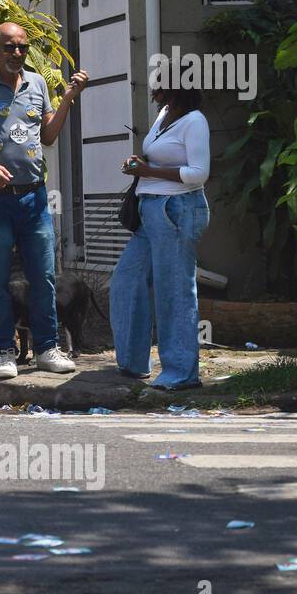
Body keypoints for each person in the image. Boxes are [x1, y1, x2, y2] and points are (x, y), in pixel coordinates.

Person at [0, 22, 88, 380]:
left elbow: (50, 135)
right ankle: (5, 352)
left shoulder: (37, 83)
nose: (17, 54)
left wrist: (69, 98)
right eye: (9, 47)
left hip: (34, 197)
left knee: (43, 276)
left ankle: (46, 348)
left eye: (22, 48)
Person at [109, 87, 210, 391]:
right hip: (149, 210)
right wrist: (138, 165)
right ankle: (133, 362)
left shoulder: (195, 121)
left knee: (175, 292)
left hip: (177, 210)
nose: (153, 90)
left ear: (176, 88)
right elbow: (156, 159)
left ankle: (181, 373)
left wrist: (149, 170)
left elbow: (199, 173)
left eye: (159, 84)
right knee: (126, 280)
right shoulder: (164, 115)